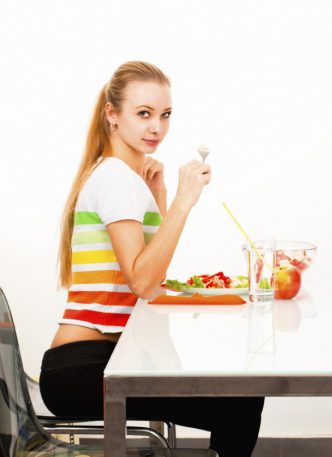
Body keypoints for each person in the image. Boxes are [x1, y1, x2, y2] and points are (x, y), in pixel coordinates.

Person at [39, 61, 263, 457]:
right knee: (242, 402)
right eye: (143, 114)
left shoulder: (124, 177)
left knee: (240, 395)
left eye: (165, 115)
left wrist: (158, 200)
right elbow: (144, 283)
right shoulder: (114, 178)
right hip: (83, 369)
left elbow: (151, 281)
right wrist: (182, 201)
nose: (156, 127)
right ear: (113, 114)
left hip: (105, 359)